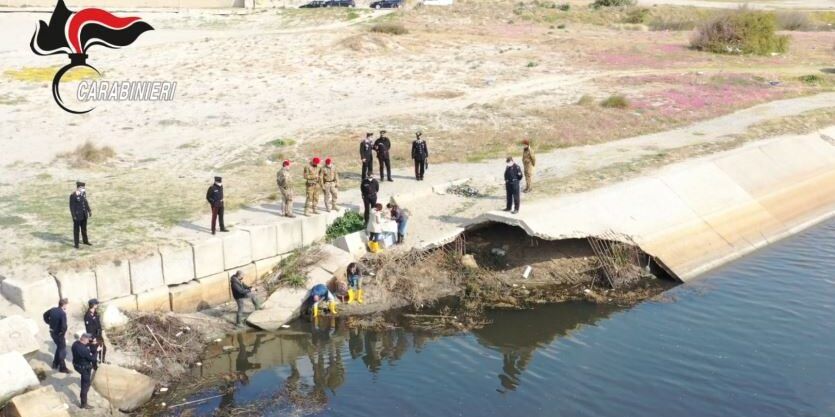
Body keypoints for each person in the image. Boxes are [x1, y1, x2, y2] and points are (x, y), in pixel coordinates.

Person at [71, 333, 97, 409]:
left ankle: (84, 400)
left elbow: (84, 345)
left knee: (85, 383)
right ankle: (83, 404)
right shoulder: (84, 350)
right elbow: (93, 359)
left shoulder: (75, 344)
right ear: (85, 339)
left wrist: (91, 343)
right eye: (88, 340)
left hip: (76, 365)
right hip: (84, 369)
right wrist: (96, 350)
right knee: (85, 385)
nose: (89, 341)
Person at [44, 298, 70, 373]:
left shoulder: (53, 309)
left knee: (59, 347)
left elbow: (45, 315)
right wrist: (62, 334)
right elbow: (64, 326)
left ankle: (55, 364)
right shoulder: (62, 313)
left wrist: (49, 322)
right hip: (59, 334)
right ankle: (62, 368)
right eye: (66, 305)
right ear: (64, 305)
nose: (66, 306)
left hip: (52, 332)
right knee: (62, 350)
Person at [69, 181, 92, 249]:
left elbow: (85, 202)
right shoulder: (73, 195)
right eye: (82, 188)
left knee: (84, 229)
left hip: (84, 214)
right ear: (78, 187)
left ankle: (85, 241)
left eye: (84, 188)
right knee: (76, 230)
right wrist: (73, 216)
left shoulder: (83, 193)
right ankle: (76, 244)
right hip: (77, 215)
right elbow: (72, 206)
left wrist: (89, 210)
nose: (83, 189)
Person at [84, 299, 105, 367]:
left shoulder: (95, 313)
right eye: (96, 304)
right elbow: (88, 329)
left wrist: (101, 331)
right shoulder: (87, 316)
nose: (97, 305)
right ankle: (94, 365)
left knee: (103, 348)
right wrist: (93, 338)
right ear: (92, 305)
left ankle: (102, 361)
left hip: (98, 334)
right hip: (93, 336)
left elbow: (98, 323)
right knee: (94, 350)